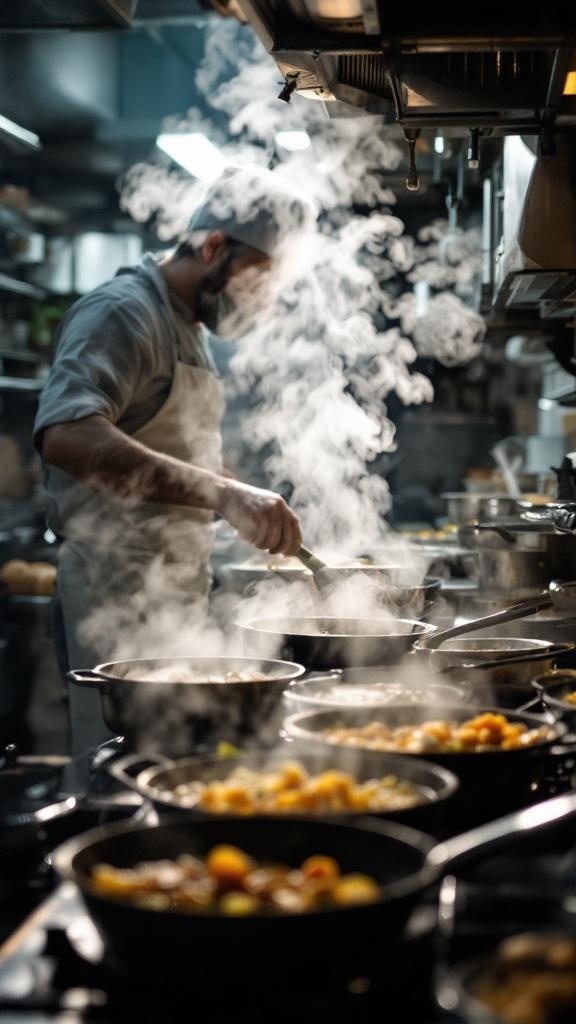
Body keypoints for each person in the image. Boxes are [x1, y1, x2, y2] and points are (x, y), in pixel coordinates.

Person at [33, 166, 313, 757]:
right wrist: (223, 495)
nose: (261, 303)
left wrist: (241, 492)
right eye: (255, 282)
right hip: (114, 607)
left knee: (179, 773)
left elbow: (175, 451)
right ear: (213, 247)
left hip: (177, 595)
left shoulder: (188, 327)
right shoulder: (123, 313)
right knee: (121, 776)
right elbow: (67, 434)